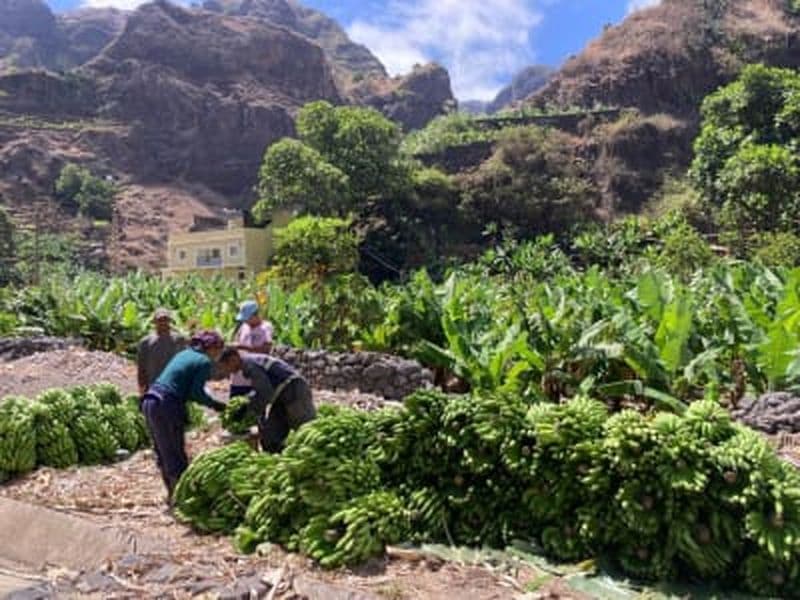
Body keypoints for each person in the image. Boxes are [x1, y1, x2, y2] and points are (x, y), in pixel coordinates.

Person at [140, 330, 227, 502]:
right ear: (212, 347)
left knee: (162, 450)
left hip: (150, 401)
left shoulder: (185, 353)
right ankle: (182, 498)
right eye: (219, 350)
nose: (218, 355)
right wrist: (216, 405)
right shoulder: (203, 361)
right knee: (175, 452)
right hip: (166, 405)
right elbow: (196, 393)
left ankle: (172, 494)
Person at [219, 348, 315, 453]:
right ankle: (279, 460)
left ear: (234, 359)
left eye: (227, 366)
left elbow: (264, 392)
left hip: (294, 390)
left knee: (305, 431)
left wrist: (249, 409)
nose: (228, 371)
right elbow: (261, 391)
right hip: (280, 395)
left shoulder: (251, 365)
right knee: (270, 437)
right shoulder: (249, 364)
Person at [136, 308, 186, 396]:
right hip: (153, 384)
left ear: (170, 321)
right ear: (154, 322)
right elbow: (141, 367)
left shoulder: (179, 340)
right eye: (160, 320)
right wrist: (141, 387)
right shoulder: (146, 342)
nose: (163, 322)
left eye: (165, 319)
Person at [229, 300, 274, 398]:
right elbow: (237, 342)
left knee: (254, 409)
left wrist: (241, 347)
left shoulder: (265, 328)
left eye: (248, 318)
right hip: (238, 377)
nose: (245, 321)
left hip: (255, 377)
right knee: (235, 408)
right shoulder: (243, 327)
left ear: (255, 315)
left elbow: (266, 349)